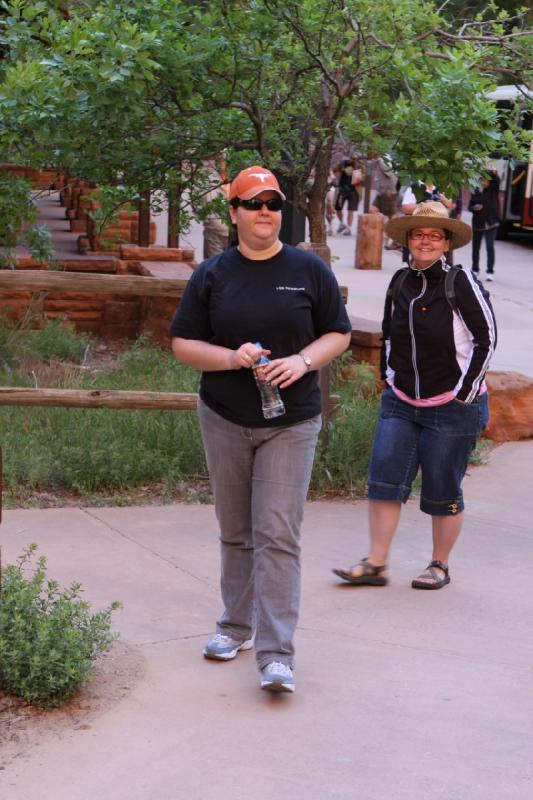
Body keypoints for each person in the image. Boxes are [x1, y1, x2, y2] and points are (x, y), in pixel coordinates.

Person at [171, 165, 351, 694]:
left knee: (277, 533)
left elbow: (337, 332)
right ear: (234, 213)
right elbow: (183, 344)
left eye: (273, 203)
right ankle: (235, 626)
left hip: (290, 423)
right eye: (253, 204)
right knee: (236, 530)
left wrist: (302, 361)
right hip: (225, 416)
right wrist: (232, 356)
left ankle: (276, 655)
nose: (265, 212)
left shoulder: (307, 269)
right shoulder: (212, 274)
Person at [333, 201, 496, 591]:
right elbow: (389, 333)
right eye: (418, 234)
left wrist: (464, 394)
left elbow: (486, 339)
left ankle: (439, 565)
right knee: (384, 480)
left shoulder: (460, 282)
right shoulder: (400, 282)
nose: (425, 240)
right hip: (401, 401)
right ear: (407, 241)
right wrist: (389, 379)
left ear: (445, 243)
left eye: (434, 235)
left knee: (442, 487)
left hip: (452, 406)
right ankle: (376, 563)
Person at [468, 169, 501, 282]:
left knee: (490, 247)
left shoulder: (493, 190)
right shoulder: (476, 190)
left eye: (486, 180)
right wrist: (475, 208)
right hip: (478, 223)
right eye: (482, 180)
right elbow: (470, 207)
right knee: (476, 248)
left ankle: (490, 271)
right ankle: (475, 269)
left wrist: (493, 173)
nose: (484, 182)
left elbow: (496, 181)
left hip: (491, 223)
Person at [334, 157, 362, 235]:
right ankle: (342, 223)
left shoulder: (357, 165)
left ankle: (349, 228)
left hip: (353, 190)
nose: (350, 159)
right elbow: (333, 169)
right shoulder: (342, 163)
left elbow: (360, 179)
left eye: (352, 157)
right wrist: (339, 165)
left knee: (351, 210)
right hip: (342, 189)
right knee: (338, 208)